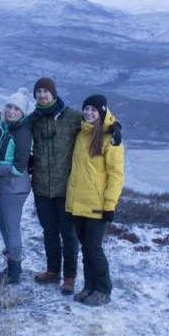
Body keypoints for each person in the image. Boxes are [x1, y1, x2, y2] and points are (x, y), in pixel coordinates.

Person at [29, 77, 123, 295]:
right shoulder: (34, 119)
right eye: (39, 92)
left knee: (68, 234)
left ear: (54, 93)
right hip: (42, 186)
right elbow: (13, 125)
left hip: (66, 189)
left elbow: (98, 121)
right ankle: (53, 270)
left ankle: (69, 276)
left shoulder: (72, 117)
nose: (42, 95)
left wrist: (116, 126)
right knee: (49, 231)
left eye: (46, 91)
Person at [65, 94, 125, 306]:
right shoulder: (82, 133)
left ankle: (103, 289)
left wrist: (110, 205)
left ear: (102, 112)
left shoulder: (112, 138)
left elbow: (115, 175)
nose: (89, 113)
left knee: (94, 249)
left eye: (94, 110)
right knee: (86, 248)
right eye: (86, 109)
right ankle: (89, 286)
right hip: (78, 202)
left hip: (97, 205)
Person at [0, 90, 32, 284]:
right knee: (2, 223)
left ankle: (14, 269)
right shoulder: (8, 128)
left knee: (11, 228)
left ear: (23, 113)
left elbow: (19, 168)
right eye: (9, 107)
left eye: (17, 109)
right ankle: (12, 256)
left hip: (15, 187)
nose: (12, 111)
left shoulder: (22, 132)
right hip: (5, 186)